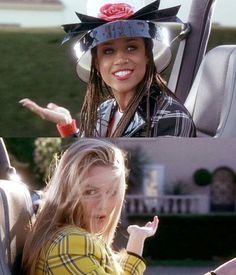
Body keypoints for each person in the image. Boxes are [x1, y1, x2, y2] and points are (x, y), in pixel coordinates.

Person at [20, 0, 196, 138]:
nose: (120, 59)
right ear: (96, 63)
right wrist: (67, 125)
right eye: (108, 51)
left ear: (147, 55)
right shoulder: (102, 112)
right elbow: (90, 161)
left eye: (131, 47)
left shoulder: (171, 118)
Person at [22, 138, 159, 274]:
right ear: (66, 192)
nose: (103, 205)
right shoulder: (69, 244)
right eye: (90, 192)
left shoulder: (72, 239)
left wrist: (137, 238)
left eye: (112, 192)